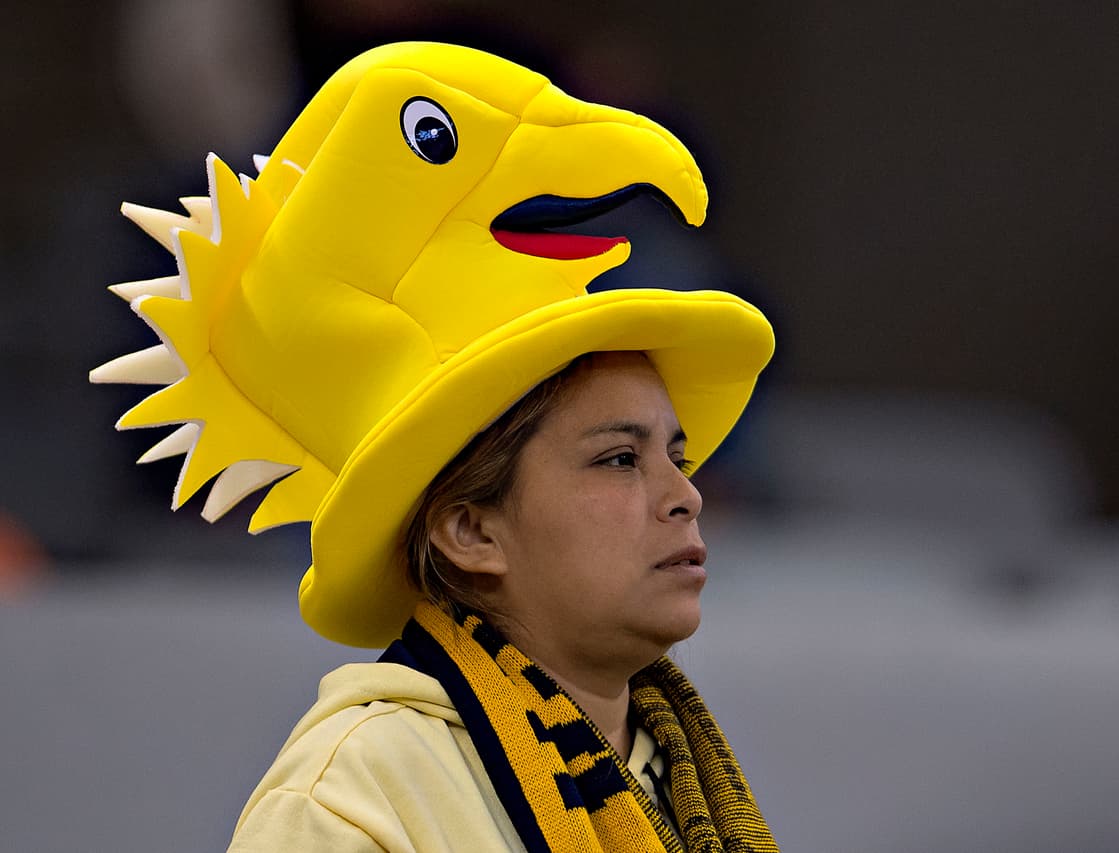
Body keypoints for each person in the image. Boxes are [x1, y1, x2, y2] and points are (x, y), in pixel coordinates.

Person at [92, 42, 777, 852]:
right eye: (621, 458)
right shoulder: (348, 801)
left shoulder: (676, 771)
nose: (684, 495)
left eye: (680, 456)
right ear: (471, 530)